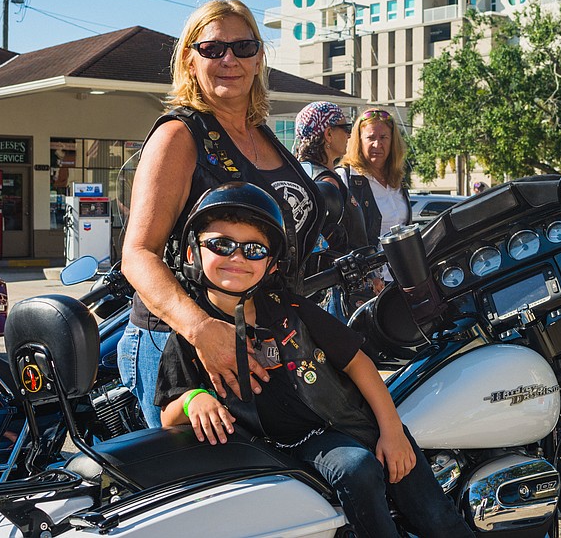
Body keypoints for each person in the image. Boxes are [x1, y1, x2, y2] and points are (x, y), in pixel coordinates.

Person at [155, 182, 473, 538]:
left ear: (272, 263)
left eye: (254, 249)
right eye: (221, 244)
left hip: (355, 426)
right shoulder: (190, 332)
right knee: (356, 467)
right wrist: (193, 400)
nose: (238, 257)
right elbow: (168, 413)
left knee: (439, 519)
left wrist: (393, 432)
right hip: (277, 449)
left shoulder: (293, 310)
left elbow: (358, 363)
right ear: (190, 252)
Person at [119, 0, 325, 428]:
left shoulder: (265, 136)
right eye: (213, 49)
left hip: (265, 335)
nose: (229, 59)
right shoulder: (180, 135)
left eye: (243, 47)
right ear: (190, 61)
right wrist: (200, 330)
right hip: (183, 344)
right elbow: (138, 254)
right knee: (202, 489)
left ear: (259, 59)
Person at [295, 101, 367, 319]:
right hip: (335, 291)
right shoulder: (326, 182)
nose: (349, 136)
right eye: (345, 129)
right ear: (328, 134)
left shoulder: (300, 173)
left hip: (319, 290)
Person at [339, 108, 411, 295]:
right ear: (358, 140)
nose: (377, 144)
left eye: (383, 137)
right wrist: (369, 275)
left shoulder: (398, 180)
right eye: (370, 138)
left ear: (392, 142)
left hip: (400, 281)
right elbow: (339, 238)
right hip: (366, 287)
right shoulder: (345, 178)